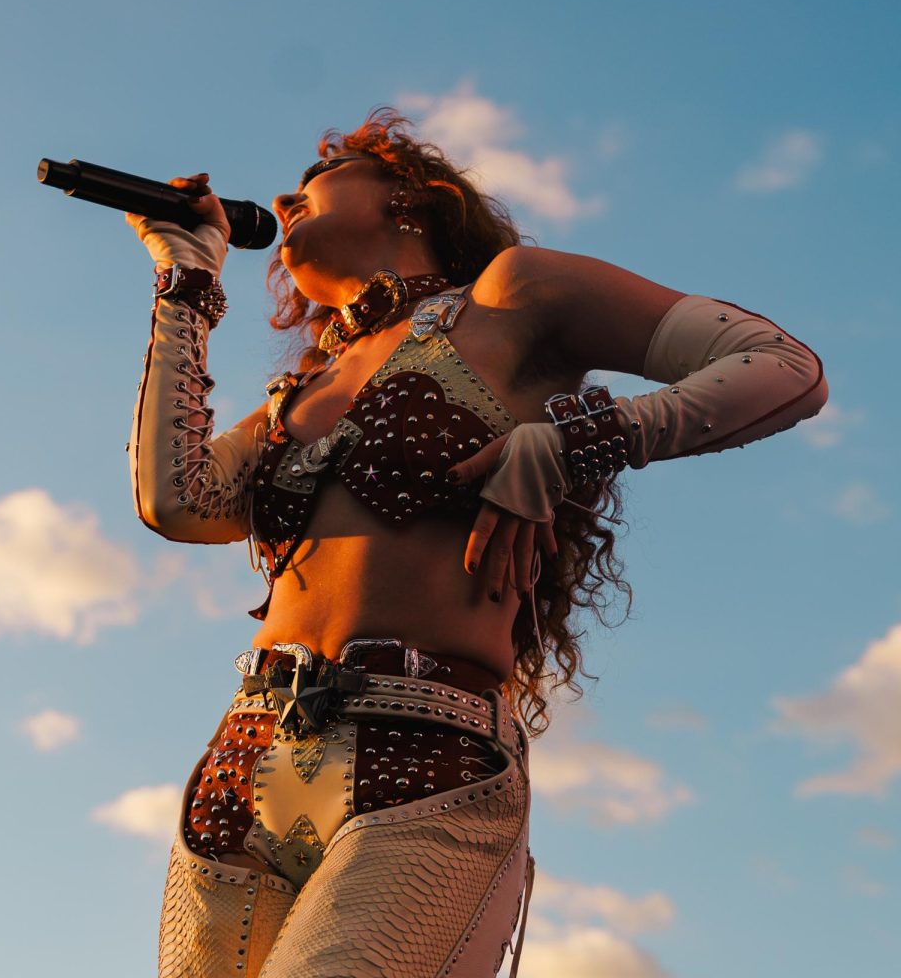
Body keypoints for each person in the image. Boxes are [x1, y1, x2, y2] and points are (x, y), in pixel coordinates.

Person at [127, 109, 828, 978]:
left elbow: (781, 365)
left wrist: (575, 437)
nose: (278, 199)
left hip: (425, 760)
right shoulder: (295, 395)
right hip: (242, 761)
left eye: (320, 176)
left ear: (415, 200)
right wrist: (187, 284)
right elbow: (176, 500)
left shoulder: (514, 297)